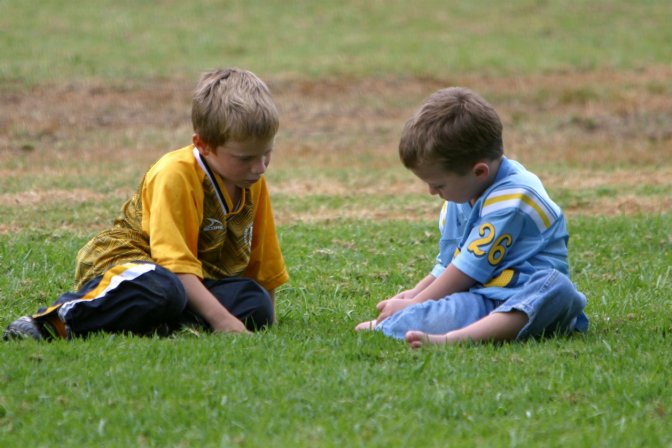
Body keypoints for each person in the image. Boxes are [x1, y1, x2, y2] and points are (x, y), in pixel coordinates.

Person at [4, 68, 288, 340]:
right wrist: (224, 321)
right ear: (203, 145)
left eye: (267, 154)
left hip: (184, 283)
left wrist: (267, 315)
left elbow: (262, 262)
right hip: (131, 269)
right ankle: (53, 322)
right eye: (245, 158)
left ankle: (155, 323)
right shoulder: (175, 174)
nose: (260, 167)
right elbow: (174, 265)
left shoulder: (250, 181)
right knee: (164, 288)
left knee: (253, 301)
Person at [355, 87, 588, 348]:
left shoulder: (514, 197)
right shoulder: (460, 194)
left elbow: (466, 271)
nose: (432, 192)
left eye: (439, 184)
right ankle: (406, 323)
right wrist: (415, 293)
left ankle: (449, 339)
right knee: (454, 307)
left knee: (558, 288)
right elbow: (450, 264)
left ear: (479, 171)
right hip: (481, 297)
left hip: (529, 296)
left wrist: (414, 304)